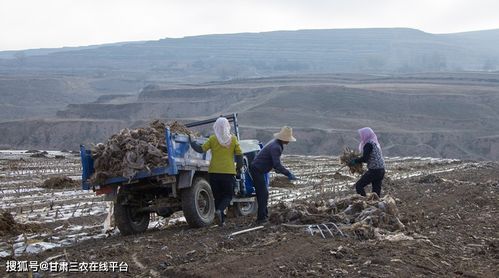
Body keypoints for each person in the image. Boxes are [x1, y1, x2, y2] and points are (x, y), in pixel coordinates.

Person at [189, 117, 243, 227]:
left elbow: (200, 149)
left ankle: (221, 221)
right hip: (228, 173)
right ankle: (220, 211)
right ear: (228, 126)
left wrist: (192, 141)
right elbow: (239, 155)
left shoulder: (213, 139)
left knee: (217, 197)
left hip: (214, 172)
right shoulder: (233, 139)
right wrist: (238, 169)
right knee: (228, 195)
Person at [250, 126, 297, 225]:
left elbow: (273, 162)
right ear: (284, 139)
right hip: (257, 169)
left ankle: (264, 215)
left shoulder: (276, 143)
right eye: (288, 139)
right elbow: (277, 164)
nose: (289, 141)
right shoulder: (276, 147)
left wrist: (277, 169)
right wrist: (288, 173)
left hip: (259, 169)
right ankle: (261, 219)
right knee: (263, 194)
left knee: (263, 193)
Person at [349, 127, 386, 197]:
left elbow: (365, 158)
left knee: (359, 185)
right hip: (381, 170)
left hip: (374, 171)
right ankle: (376, 205)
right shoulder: (374, 143)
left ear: (365, 135)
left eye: (362, 135)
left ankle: (364, 202)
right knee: (376, 192)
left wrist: (354, 161)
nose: (361, 136)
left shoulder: (368, 145)